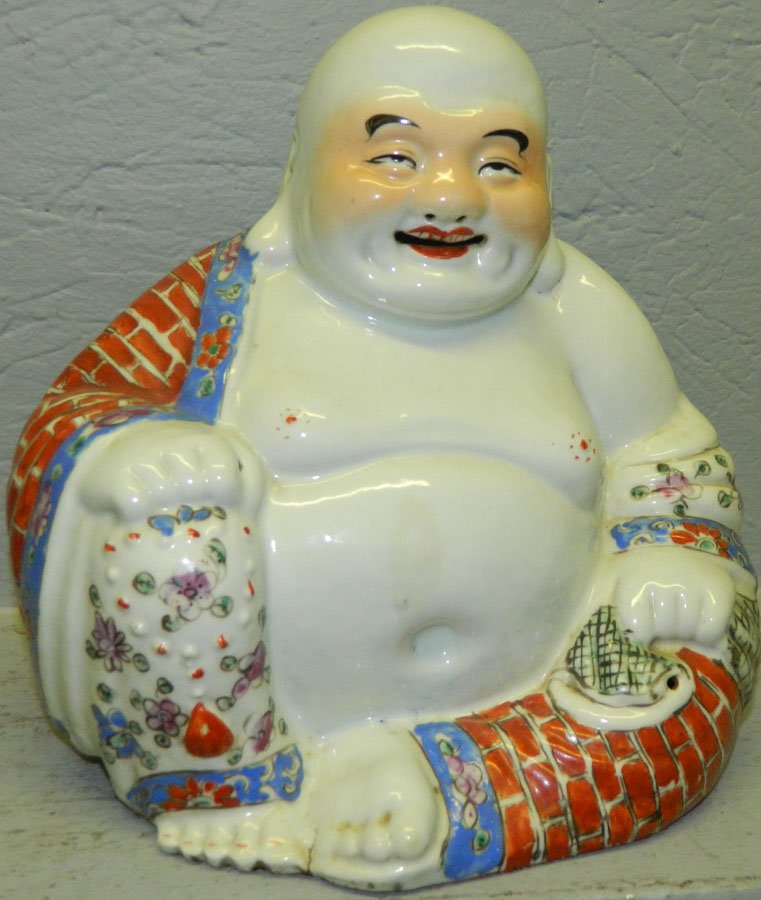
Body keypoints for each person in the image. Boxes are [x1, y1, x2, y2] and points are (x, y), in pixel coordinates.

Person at [9, 7, 758, 891]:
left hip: (546, 683)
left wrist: (669, 556)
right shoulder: (224, 301)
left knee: (688, 683)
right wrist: (129, 449)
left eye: (499, 163)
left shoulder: (580, 309)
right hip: (257, 711)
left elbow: (671, 464)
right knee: (162, 519)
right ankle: (238, 787)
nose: (451, 197)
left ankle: (438, 779)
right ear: (302, 170)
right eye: (395, 157)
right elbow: (76, 411)